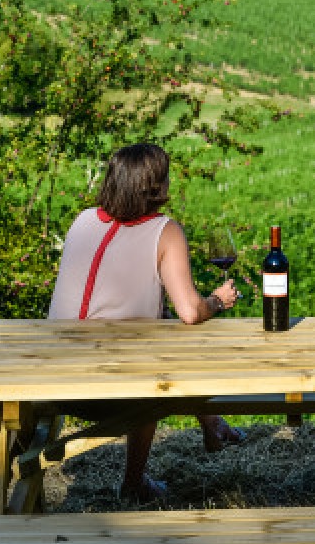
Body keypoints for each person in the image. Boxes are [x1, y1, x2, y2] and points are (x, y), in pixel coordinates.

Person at [48, 143, 244, 503]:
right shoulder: (165, 231)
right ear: (157, 184)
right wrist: (218, 300)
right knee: (160, 359)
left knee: (162, 336)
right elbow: (190, 311)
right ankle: (135, 482)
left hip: (51, 384)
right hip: (110, 393)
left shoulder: (84, 219)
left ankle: (213, 425)